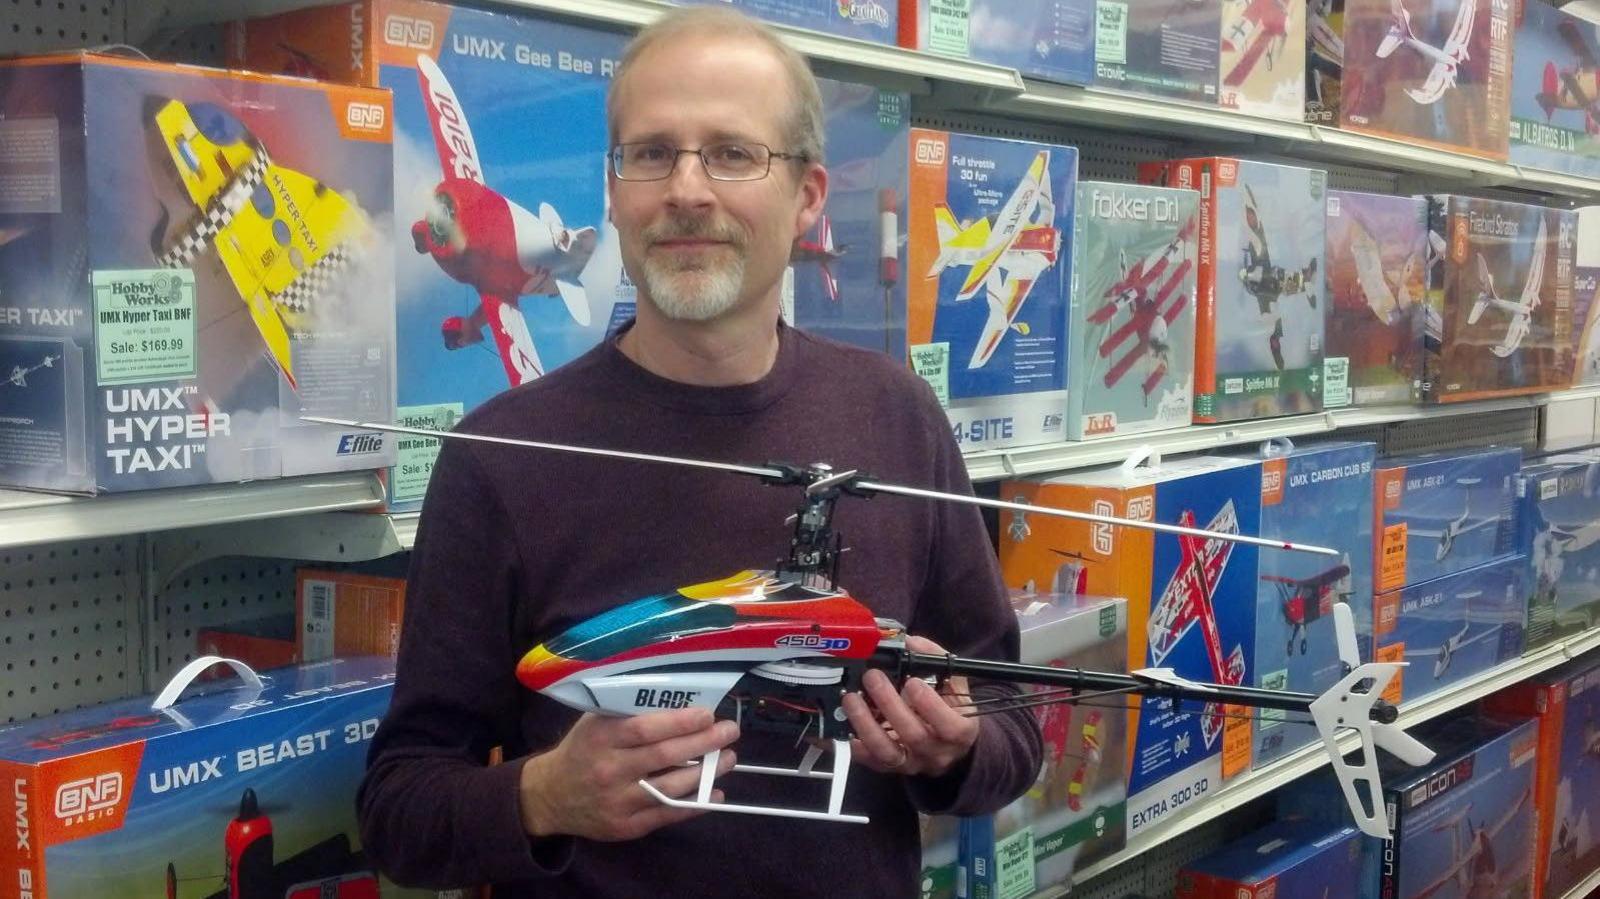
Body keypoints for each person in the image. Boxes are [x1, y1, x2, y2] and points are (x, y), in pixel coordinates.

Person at [357, 8, 1042, 897]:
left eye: (732, 153)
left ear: (807, 198)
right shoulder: (500, 456)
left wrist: (956, 750)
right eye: (652, 153)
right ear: (612, 191)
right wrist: (542, 795)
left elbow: (1013, 729)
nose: (686, 189)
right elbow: (397, 811)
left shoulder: (899, 419)